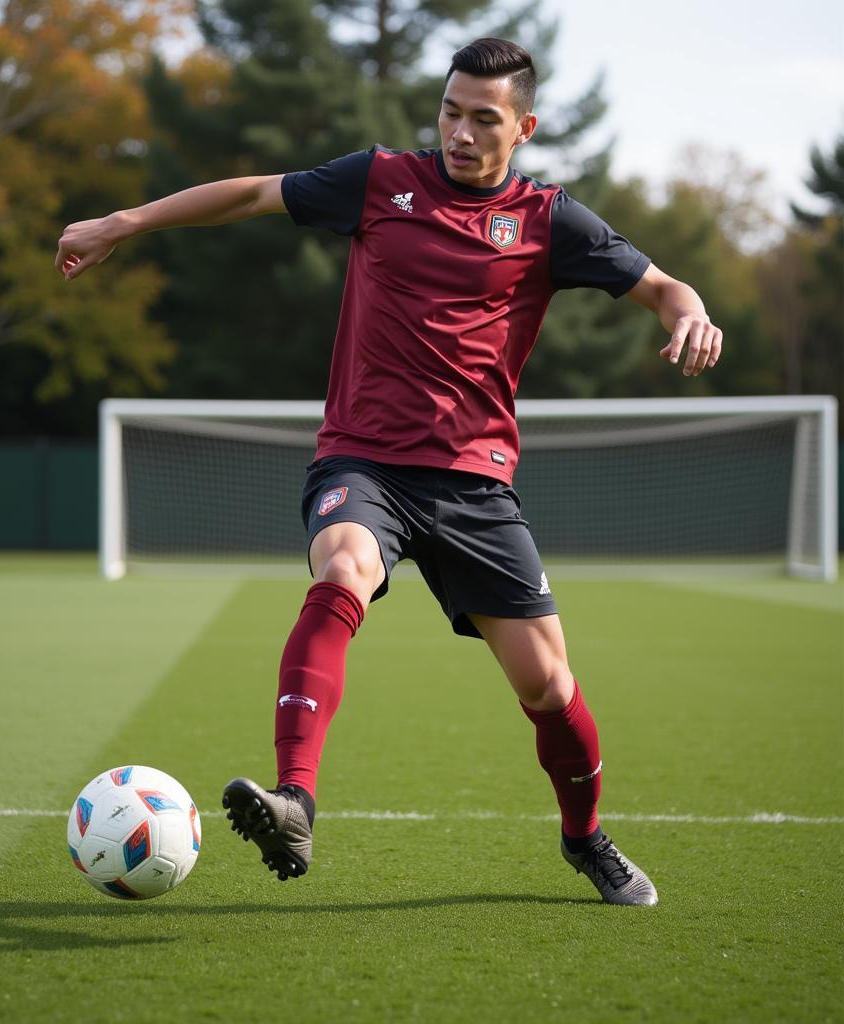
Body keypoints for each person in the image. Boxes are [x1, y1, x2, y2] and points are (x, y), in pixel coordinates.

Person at [56, 38, 722, 906]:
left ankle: (585, 838)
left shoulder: (549, 219)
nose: (460, 131)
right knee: (343, 565)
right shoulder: (378, 181)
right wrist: (124, 222)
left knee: (549, 687)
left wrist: (692, 310)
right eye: (450, 110)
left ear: (524, 126)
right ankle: (294, 797)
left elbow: (664, 287)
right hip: (363, 459)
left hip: (477, 485)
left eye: (484, 118)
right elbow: (256, 193)